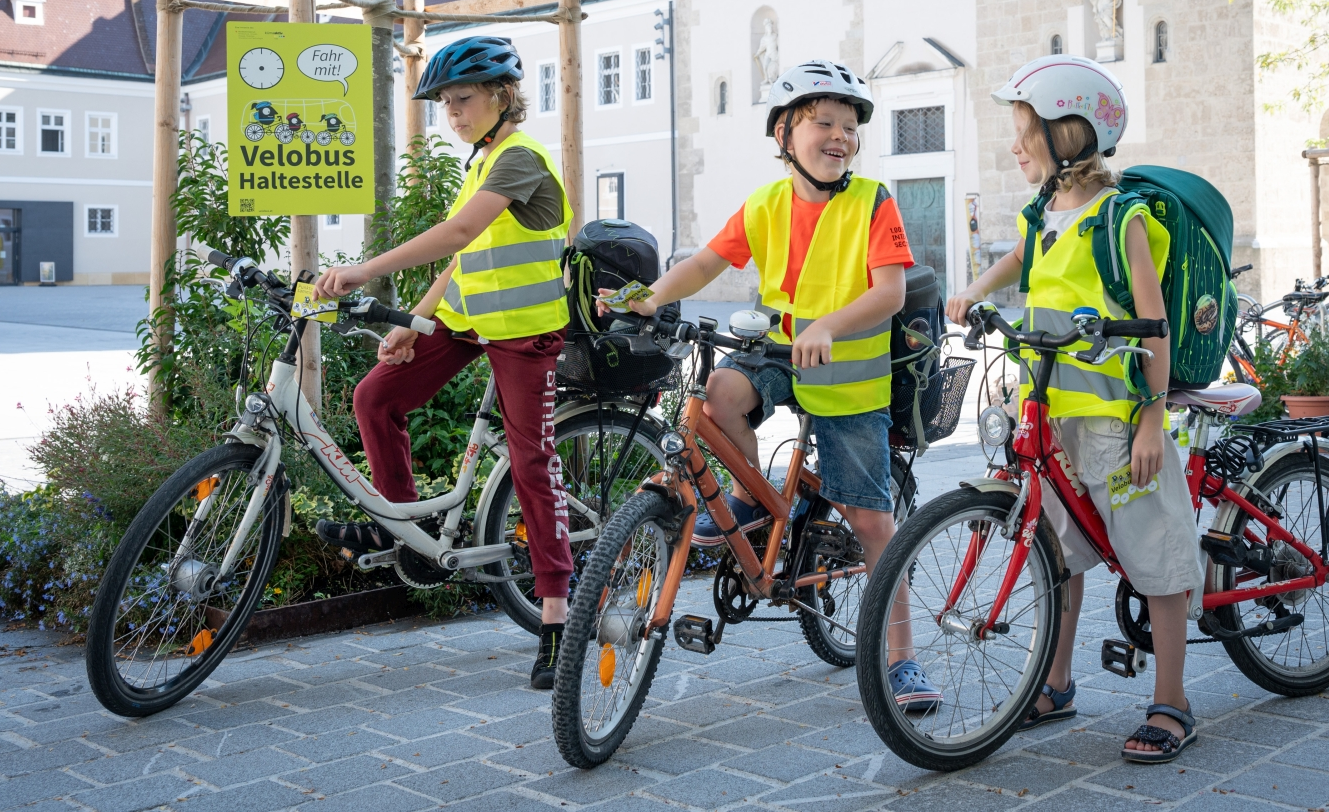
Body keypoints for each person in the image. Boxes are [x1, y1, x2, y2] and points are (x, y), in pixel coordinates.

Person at [603, 59, 942, 714]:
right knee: (721, 394)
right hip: (780, 354)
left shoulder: (873, 201)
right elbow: (708, 261)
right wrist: (648, 298)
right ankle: (750, 500)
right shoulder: (766, 203)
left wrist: (832, 326)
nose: (840, 136)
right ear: (785, 134)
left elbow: (890, 292)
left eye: (850, 127)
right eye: (824, 123)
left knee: (872, 521)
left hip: (849, 377)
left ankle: (902, 658)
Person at [947, 54, 1204, 763]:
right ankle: (1056, 683)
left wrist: (1151, 418)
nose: (1015, 145)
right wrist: (974, 290)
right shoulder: (1043, 212)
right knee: (1058, 553)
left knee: (1154, 552)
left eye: (1025, 130)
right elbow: (1020, 258)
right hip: (1050, 414)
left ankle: (1173, 701)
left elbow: (1154, 324)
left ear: (1068, 135)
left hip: (1116, 420)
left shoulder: (1120, 219)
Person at [311, 35, 575, 690]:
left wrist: (364, 271)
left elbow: (457, 233)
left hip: (523, 332)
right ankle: (405, 528)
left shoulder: (520, 158)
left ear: (502, 96)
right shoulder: (481, 160)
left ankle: (556, 619)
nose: (452, 113)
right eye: (445, 104)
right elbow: (465, 257)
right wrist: (415, 322)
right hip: (465, 322)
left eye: (463, 100)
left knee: (531, 463)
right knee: (376, 397)